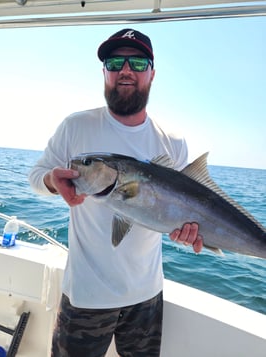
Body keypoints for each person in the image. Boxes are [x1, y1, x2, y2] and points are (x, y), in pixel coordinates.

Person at [29, 28, 203, 357]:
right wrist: (52, 181)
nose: (125, 70)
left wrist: (185, 232)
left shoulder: (173, 141)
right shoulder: (76, 127)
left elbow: (178, 210)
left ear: (152, 73)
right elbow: (36, 176)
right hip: (86, 295)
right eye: (114, 62)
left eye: (137, 62)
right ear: (105, 72)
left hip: (146, 296)